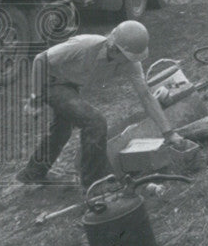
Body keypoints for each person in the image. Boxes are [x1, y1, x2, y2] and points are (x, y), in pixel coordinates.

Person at [16, 21, 186, 189]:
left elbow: (146, 96)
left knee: (62, 130)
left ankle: (33, 172)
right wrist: (35, 98)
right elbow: (40, 60)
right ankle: (93, 185)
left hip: (70, 84)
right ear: (113, 48)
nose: (129, 62)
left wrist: (169, 133)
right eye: (127, 58)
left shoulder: (130, 62)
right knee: (94, 122)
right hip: (49, 81)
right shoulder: (86, 44)